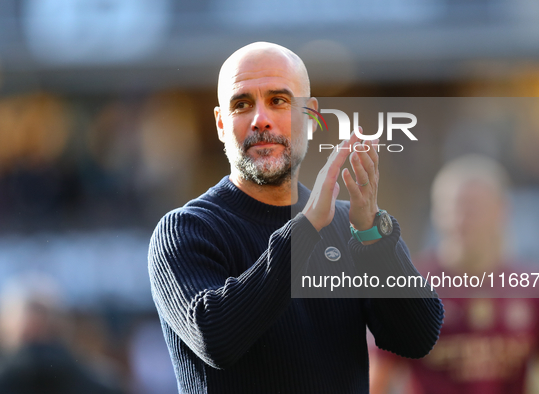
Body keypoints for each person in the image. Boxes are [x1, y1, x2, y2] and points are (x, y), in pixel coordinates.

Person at [148, 41, 444, 394]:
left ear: (312, 117)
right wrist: (306, 229)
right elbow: (216, 338)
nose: (261, 119)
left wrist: (372, 237)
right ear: (221, 124)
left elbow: (417, 338)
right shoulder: (185, 231)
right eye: (242, 104)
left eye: (279, 101)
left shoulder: (354, 228)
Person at [369, 155, 539, 394]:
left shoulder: (534, 286)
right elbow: (375, 378)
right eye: (452, 208)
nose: (461, 220)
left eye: (472, 208)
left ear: (502, 210)